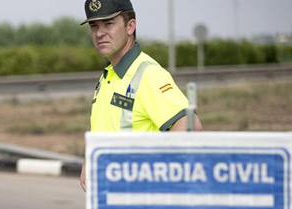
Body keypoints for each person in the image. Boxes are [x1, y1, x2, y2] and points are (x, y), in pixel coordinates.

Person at [79, 0, 203, 191]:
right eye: (94, 26)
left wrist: (152, 178)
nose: (99, 33)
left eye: (109, 24)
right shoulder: (109, 75)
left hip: (138, 201)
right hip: (110, 199)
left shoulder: (148, 74)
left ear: (131, 26)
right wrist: (89, 157)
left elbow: (190, 126)